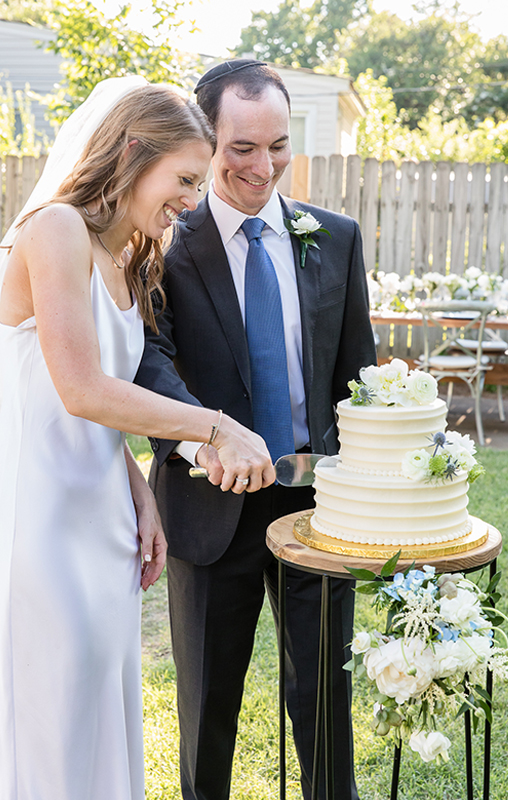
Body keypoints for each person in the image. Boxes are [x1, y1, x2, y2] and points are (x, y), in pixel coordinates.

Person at [0, 76, 274, 800]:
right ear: (131, 152)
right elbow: (80, 390)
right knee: (54, 715)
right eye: (184, 178)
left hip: (104, 521)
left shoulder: (127, 258)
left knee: (100, 706)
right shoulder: (54, 228)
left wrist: (140, 497)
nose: (192, 197)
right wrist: (216, 425)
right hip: (43, 523)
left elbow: (92, 412)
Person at [135, 60, 377, 800]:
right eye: (241, 147)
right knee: (209, 703)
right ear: (203, 142)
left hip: (316, 507)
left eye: (277, 145)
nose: (262, 165)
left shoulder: (333, 238)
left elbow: (356, 378)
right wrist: (202, 439)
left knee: (324, 698)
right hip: (211, 507)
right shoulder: (162, 245)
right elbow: (149, 363)